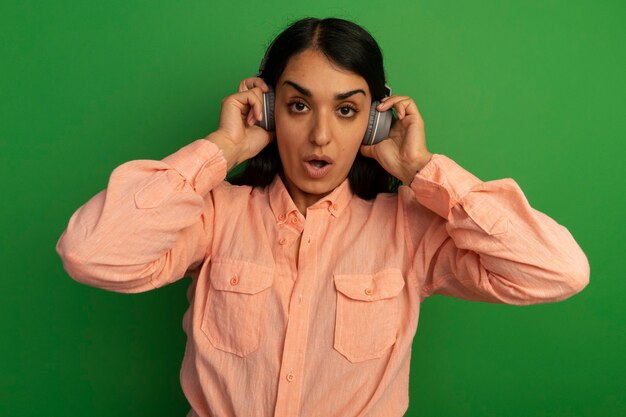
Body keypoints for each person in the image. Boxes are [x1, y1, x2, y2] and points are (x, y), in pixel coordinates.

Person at [56, 17, 590, 417]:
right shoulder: (214, 215)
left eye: (347, 110)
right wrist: (221, 147)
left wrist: (424, 169)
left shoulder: (409, 230)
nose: (320, 136)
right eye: (297, 106)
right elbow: (91, 254)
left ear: (376, 122)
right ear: (266, 111)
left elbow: (559, 271)